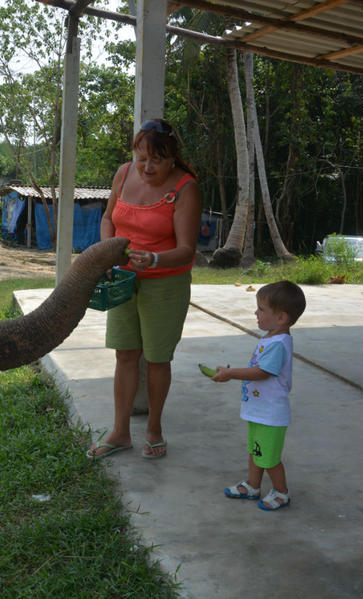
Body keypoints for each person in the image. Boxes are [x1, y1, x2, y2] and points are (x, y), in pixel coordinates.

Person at [86, 118, 201, 460]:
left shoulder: (186, 188)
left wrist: (152, 259)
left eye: (157, 160)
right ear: (133, 154)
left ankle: (154, 428)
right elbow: (108, 218)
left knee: (156, 359)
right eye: (141, 158)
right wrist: (108, 252)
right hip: (123, 279)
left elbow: (187, 249)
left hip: (165, 283)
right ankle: (120, 432)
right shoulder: (123, 174)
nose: (147, 167)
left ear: (172, 159)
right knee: (124, 354)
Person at [206, 280, 306, 511]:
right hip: (259, 410)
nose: (256, 312)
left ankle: (281, 492)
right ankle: (253, 485)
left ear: (281, 318)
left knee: (269, 458)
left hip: (270, 414)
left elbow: (262, 372)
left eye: (261, 309)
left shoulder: (279, 344)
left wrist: (231, 374)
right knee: (256, 450)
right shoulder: (271, 338)